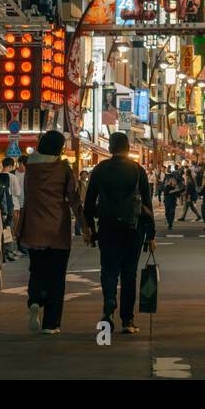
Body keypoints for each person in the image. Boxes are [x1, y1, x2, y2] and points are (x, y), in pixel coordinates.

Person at [82, 131, 156, 335]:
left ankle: (109, 302)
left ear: (110, 148)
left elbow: (88, 203)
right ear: (127, 148)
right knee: (129, 273)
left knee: (109, 269)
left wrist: (90, 228)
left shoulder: (100, 169)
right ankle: (127, 320)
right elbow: (147, 204)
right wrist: (150, 234)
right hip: (133, 228)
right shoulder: (137, 170)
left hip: (107, 226)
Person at [18, 131, 82, 335]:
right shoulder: (63, 168)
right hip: (57, 229)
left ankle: (35, 299)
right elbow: (74, 198)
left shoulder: (31, 168)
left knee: (37, 269)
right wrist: (86, 227)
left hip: (34, 228)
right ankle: (51, 323)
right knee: (57, 277)